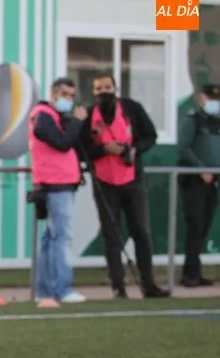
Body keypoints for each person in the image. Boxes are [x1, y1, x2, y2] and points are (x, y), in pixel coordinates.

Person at [80, 73, 170, 299]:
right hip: (104, 183)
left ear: (116, 87)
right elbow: (82, 151)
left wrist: (133, 150)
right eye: (99, 88)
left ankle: (149, 285)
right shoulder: (89, 115)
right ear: (94, 92)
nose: (104, 92)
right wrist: (103, 150)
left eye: (107, 87)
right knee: (111, 234)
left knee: (141, 231)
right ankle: (118, 287)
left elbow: (151, 136)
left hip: (133, 180)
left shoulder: (132, 108)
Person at [28, 77, 89, 305]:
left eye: (72, 96)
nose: (69, 100)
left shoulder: (49, 116)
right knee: (61, 238)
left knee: (51, 239)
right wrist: (77, 122)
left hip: (57, 182)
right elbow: (62, 143)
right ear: (53, 93)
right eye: (65, 95)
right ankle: (62, 289)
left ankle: (44, 290)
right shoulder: (43, 116)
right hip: (55, 183)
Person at [177, 82, 220, 287]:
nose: (214, 103)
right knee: (195, 226)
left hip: (213, 181)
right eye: (211, 99)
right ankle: (189, 274)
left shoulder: (216, 122)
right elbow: (184, 148)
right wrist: (201, 169)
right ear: (202, 98)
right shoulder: (192, 120)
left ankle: (195, 271)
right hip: (194, 181)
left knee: (203, 227)